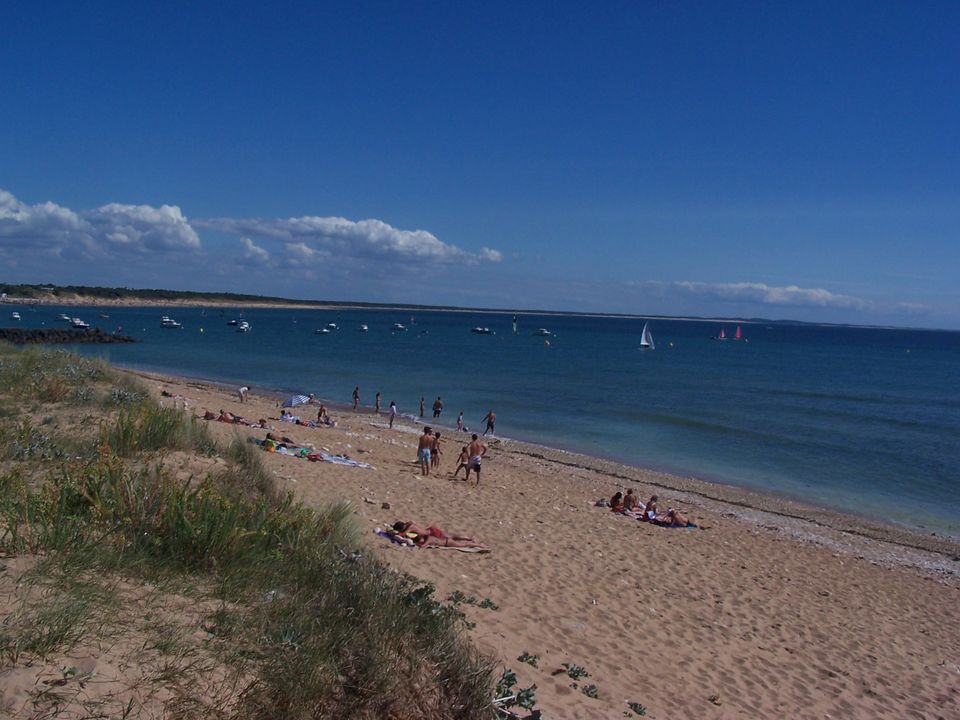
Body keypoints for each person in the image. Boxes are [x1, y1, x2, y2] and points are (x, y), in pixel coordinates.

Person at [391, 521, 488, 550]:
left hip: (432, 534)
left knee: (452, 540)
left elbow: (403, 534)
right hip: (431, 530)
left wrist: (394, 534)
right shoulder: (410, 524)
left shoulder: (409, 528)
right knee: (452, 536)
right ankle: (470, 539)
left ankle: (475, 544)